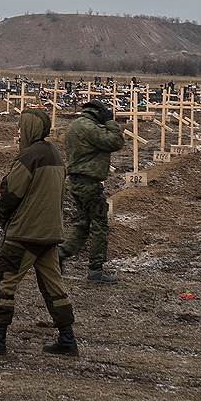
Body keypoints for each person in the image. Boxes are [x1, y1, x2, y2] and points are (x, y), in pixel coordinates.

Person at [0, 109, 77, 355]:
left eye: (21, 126)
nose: (18, 132)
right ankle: (67, 338)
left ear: (29, 128)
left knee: (4, 284)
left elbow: (11, 193)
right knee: (54, 286)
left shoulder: (28, 157)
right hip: (50, 234)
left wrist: (2, 216)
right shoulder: (55, 154)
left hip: (24, 233)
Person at [58, 99, 125, 284]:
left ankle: (59, 256)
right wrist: (111, 122)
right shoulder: (89, 127)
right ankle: (96, 270)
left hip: (77, 182)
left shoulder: (77, 125)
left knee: (83, 223)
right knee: (99, 225)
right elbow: (116, 141)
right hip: (89, 184)